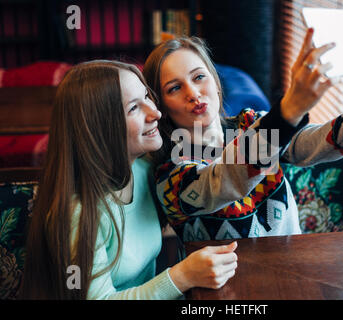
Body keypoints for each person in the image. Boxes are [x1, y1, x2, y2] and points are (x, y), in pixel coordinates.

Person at [143, 30, 343, 243]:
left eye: (199, 77)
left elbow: (315, 145)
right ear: (161, 106)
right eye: (174, 88)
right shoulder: (170, 174)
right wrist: (290, 109)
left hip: (292, 271)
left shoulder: (251, 123)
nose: (194, 93)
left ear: (216, 83)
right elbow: (227, 178)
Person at [20, 60, 238, 300]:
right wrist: (182, 276)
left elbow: (213, 175)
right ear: (99, 127)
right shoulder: (78, 212)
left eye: (147, 96)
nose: (155, 112)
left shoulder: (145, 170)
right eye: (134, 108)